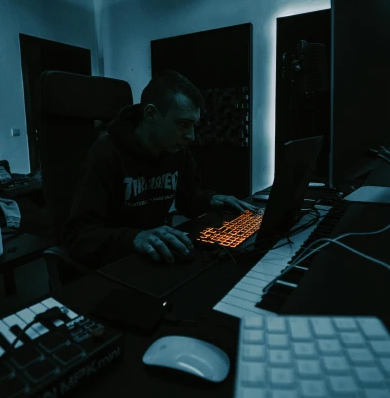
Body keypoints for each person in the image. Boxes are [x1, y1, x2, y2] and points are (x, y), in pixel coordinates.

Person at [60, 70, 257, 268]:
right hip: (117, 263)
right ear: (151, 114)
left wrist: (211, 200)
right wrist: (135, 237)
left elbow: (188, 199)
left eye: (193, 125)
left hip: (157, 253)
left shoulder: (176, 150)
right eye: (183, 124)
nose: (191, 136)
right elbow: (79, 237)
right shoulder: (105, 154)